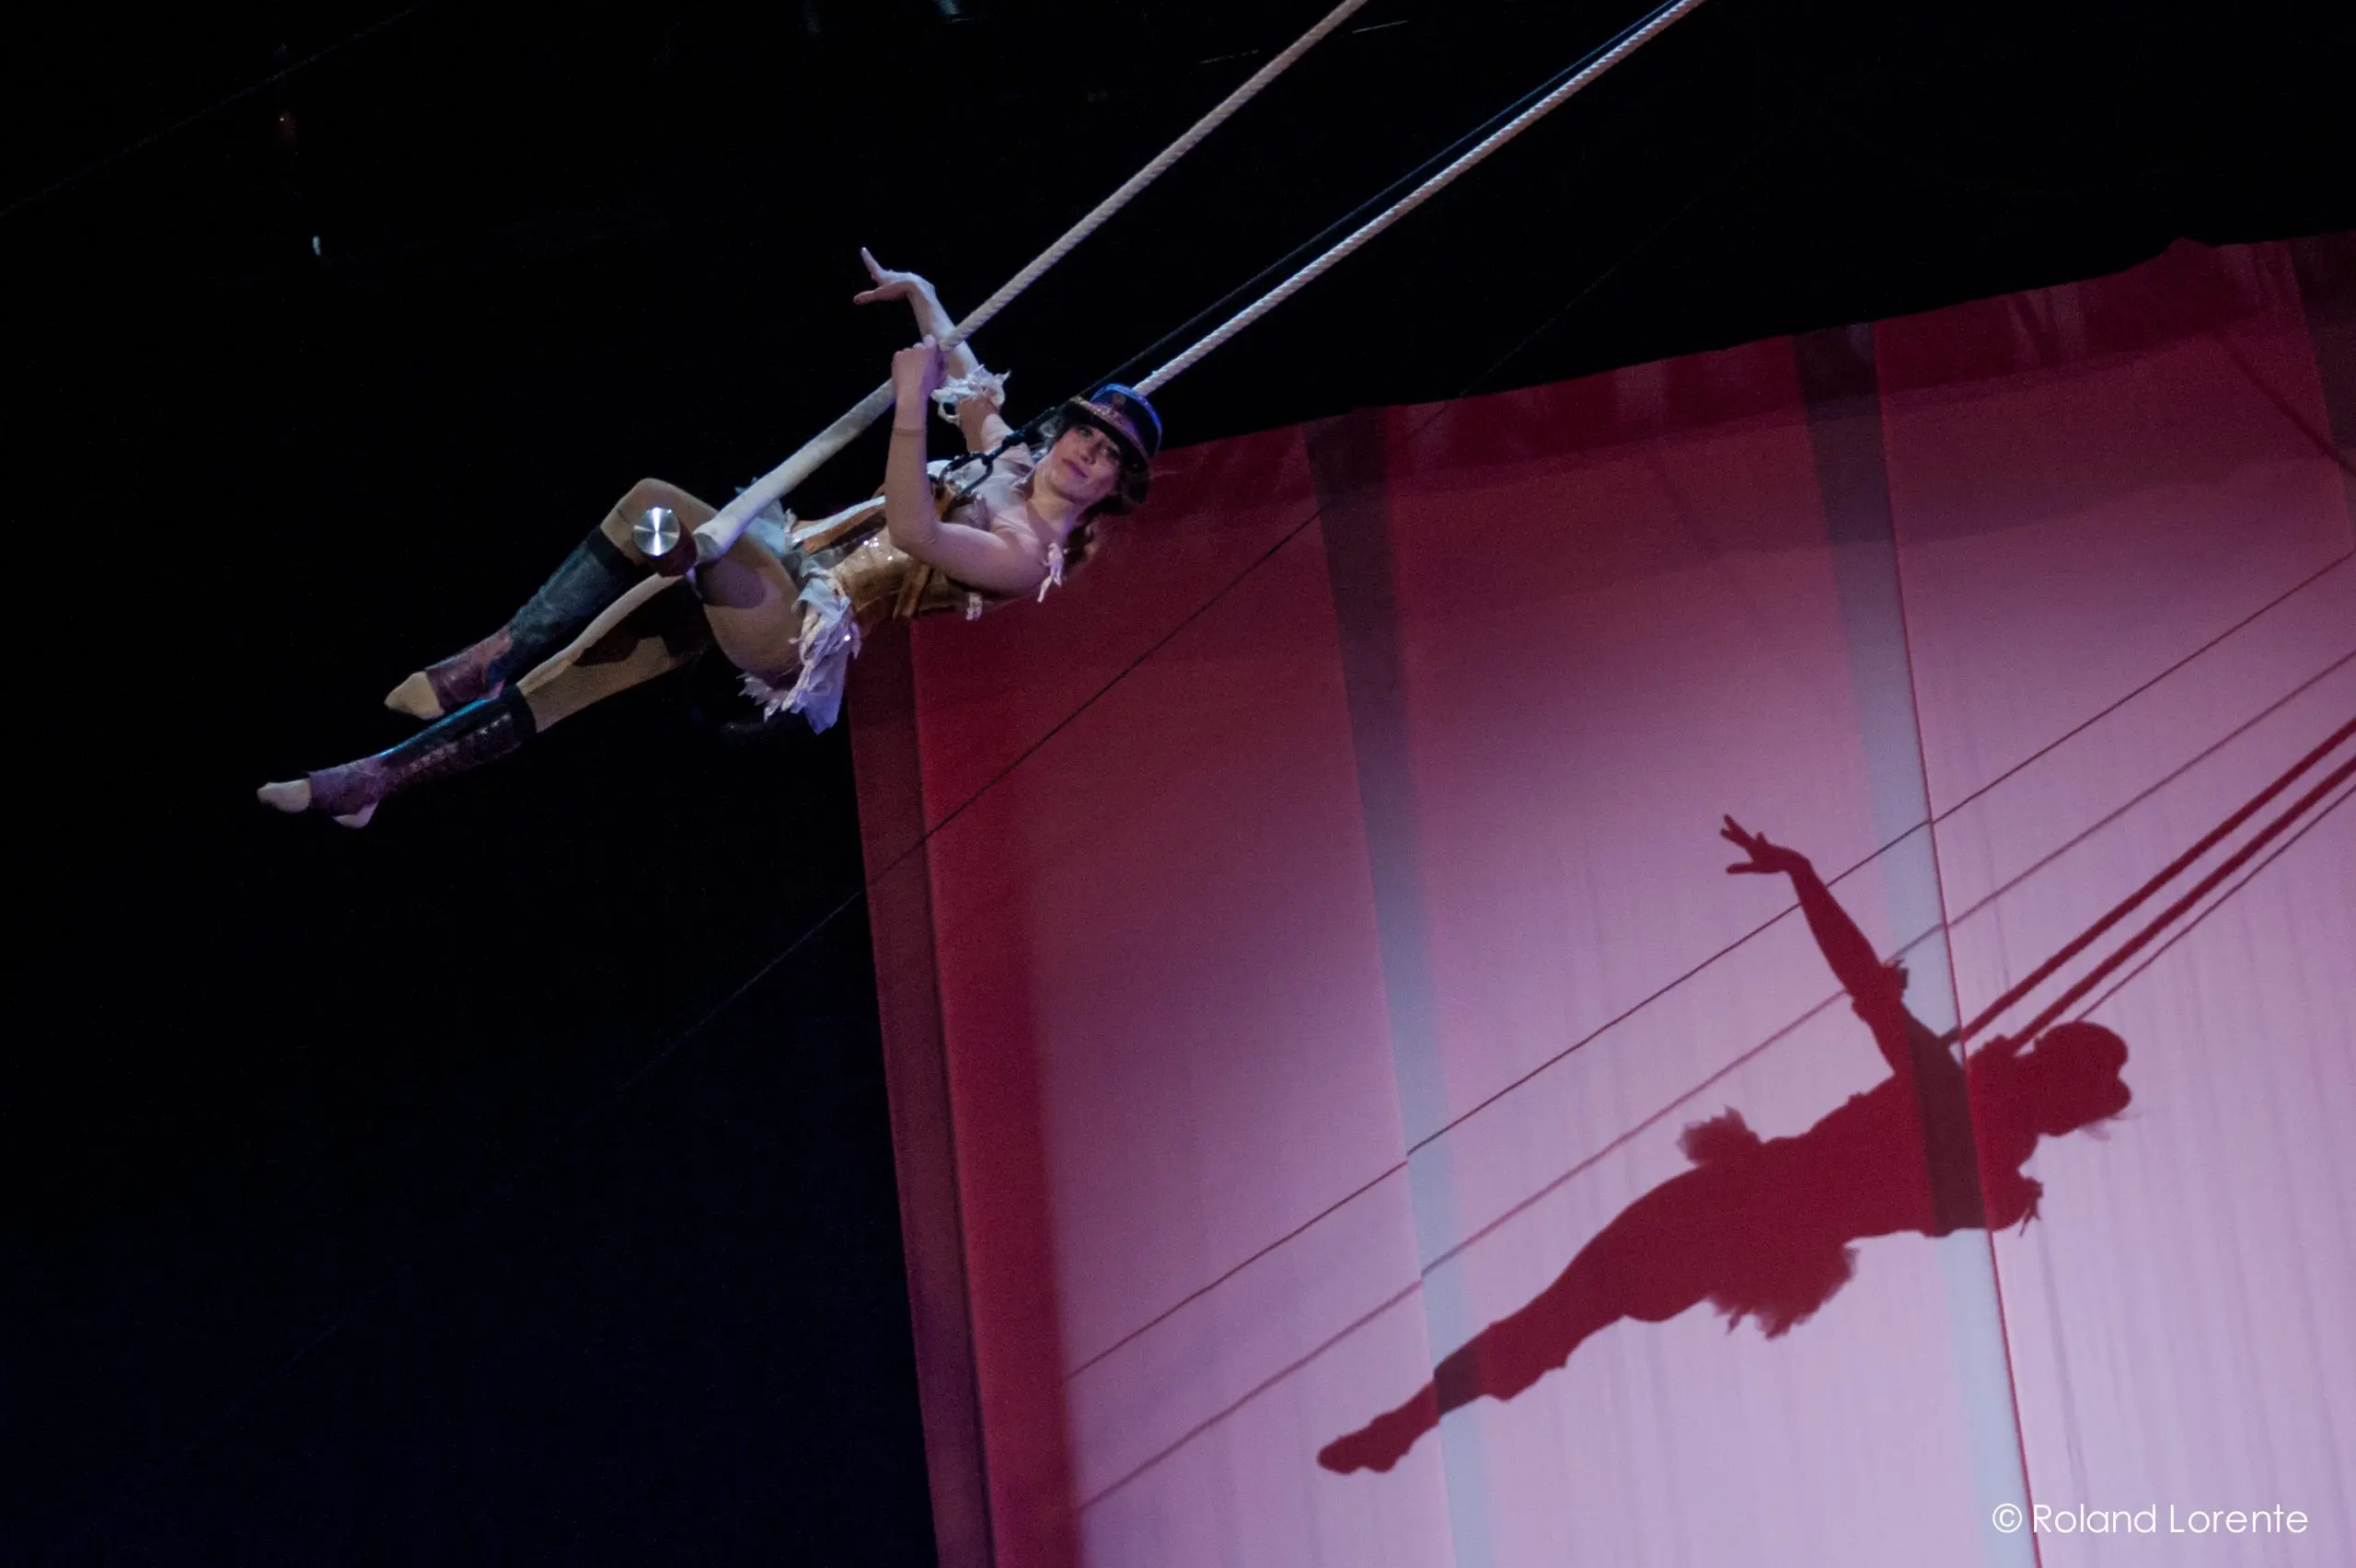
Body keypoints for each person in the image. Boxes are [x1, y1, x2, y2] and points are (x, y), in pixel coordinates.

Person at [1317, 818, 2132, 1475]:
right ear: (2048, 1090)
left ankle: (1408, 1422)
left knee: (1552, 1323)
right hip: (1738, 1223)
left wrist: (1805, 877)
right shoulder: (1966, 1128)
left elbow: (1873, 1003)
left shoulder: (1977, 1144)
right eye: (2076, 1105)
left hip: (1738, 1221)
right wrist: (1806, 879)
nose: (2070, 1126)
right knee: (1551, 1325)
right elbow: (1868, 992)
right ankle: (1406, 1423)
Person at [257, 250, 1161, 825]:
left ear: (1115, 492)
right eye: (1085, 434)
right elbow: (968, 362)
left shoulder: (1021, 553)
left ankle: (501, 644)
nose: (1085, 453)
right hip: (776, 564)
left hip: (793, 623)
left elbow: (917, 526)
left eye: (1105, 458)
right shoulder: (1003, 458)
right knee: (572, 677)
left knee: (663, 510)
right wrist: (922, 295)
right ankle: (372, 783)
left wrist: (910, 409)